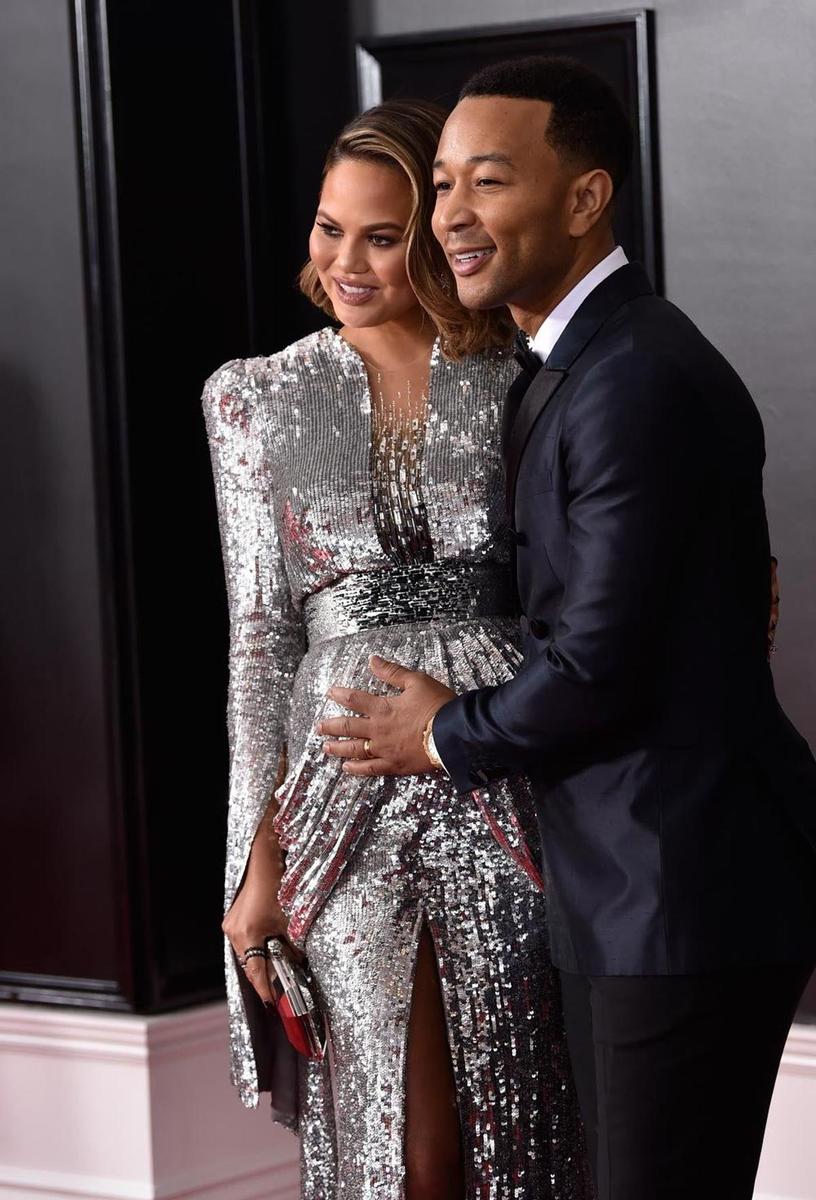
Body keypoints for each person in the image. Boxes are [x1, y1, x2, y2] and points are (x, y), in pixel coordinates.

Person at [319, 58, 816, 1200]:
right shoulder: (577, 361)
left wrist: (440, 733)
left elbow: (597, 664)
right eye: (442, 185)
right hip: (632, 884)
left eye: (486, 182)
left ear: (586, 199)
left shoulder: (632, 376)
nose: (451, 216)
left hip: (678, 883)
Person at [202, 99, 591, 1199]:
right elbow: (260, 642)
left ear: (432, 235)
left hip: (498, 776)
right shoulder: (252, 396)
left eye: (382, 234)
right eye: (330, 229)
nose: (346, 262)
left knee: (521, 1126)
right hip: (338, 795)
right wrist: (256, 859)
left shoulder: (522, 376)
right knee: (403, 1153)